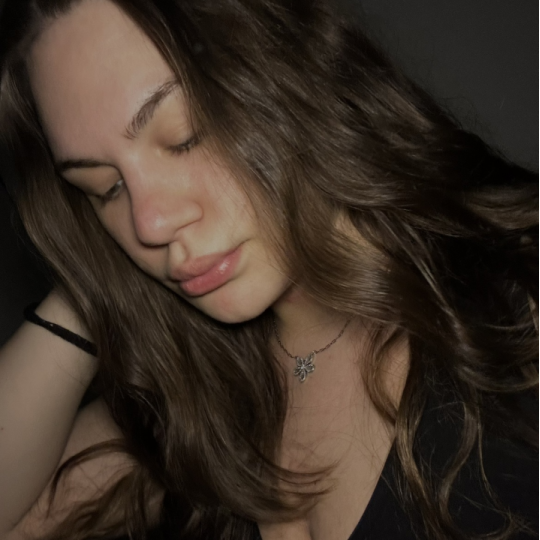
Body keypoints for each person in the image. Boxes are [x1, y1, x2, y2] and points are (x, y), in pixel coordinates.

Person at [0, 0, 537, 539]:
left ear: (289, 68)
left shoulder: (517, 301)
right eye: (104, 187)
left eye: (185, 135)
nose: (150, 224)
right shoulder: (198, 390)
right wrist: (96, 280)